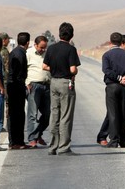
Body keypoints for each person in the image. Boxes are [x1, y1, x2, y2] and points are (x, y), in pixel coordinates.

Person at [43, 22, 81, 156]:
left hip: (53, 82)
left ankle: (52, 146)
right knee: (66, 115)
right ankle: (64, 147)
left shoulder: (51, 48)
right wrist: (73, 72)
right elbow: (73, 69)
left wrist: (55, 68)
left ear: (59, 33)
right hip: (66, 83)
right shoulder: (70, 49)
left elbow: (44, 66)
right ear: (71, 35)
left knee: (55, 114)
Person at [101, 32, 125, 148]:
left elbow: (106, 70)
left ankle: (114, 140)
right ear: (121, 41)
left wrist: (119, 78)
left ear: (110, 41)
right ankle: (123, 140)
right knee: (123, 113)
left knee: (113, 114)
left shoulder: (107, 55)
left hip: (112, 86)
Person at [25, 36, 51, 148]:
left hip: (46, 86)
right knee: (33, 113)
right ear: (35, 45)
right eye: (41, 47)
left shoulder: (47, 53)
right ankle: (32, 138)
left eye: (45, 47)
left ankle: (38, 134)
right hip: (33, 86)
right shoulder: (28, 53)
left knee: (47, 114)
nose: (43, 50)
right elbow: (23, 69)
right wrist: (26, 83)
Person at [7, 32, 31, 149]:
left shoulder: (15, 52)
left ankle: (16, 141)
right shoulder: (20, 54)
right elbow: (16, 73)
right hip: (16, 87)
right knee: (17, 115)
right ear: (27, 43)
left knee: (15, 114)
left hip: (13, 87)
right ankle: (17, 142)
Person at [0, 32, 10, 133]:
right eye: (7, 39)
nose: (9, 41)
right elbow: (7, 67)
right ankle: (8, 124)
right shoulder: (4, 52)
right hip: (5, 81)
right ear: (3, 40)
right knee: (7, 103)